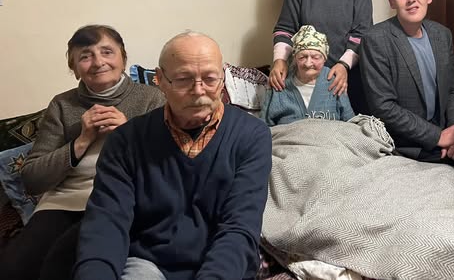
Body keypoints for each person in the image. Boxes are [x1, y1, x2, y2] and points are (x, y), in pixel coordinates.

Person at [73, 32, 272, 280]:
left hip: (221, 263)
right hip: (148, 262)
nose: (198, 91)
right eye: (183, 79)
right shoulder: (126, 140)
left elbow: (240, 227)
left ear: (222, 80)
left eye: (210, 79)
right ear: (160, 80)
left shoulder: (252, 135)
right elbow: (106, 224)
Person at [0, 25, 165, 280]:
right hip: (64, 202)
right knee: (13, 269)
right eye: (85, 56)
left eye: (107, 52)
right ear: (74, 68)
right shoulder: (62, 105)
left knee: (64, 264)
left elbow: (166, 167)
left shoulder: (152, 99)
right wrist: (81, 140)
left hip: (123, 200)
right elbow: (32, 179)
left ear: (123, 58)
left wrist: (128, 134)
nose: (98, 62)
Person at [360, 0, 454, 162]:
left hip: (447, 136)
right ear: (392, 2)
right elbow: (383, 107)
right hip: (405, 145)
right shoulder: (375, 39)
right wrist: (437, 137)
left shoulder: (442, 34)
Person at [262, 25, 354, 126]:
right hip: (287, 136)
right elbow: (264, 126)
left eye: (315, 57)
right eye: (302, 57)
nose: (308, 63)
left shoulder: (335, 81)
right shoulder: (279, 81)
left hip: (329, 136)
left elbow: (350, 123)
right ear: (295, 58)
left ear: (324, 58)